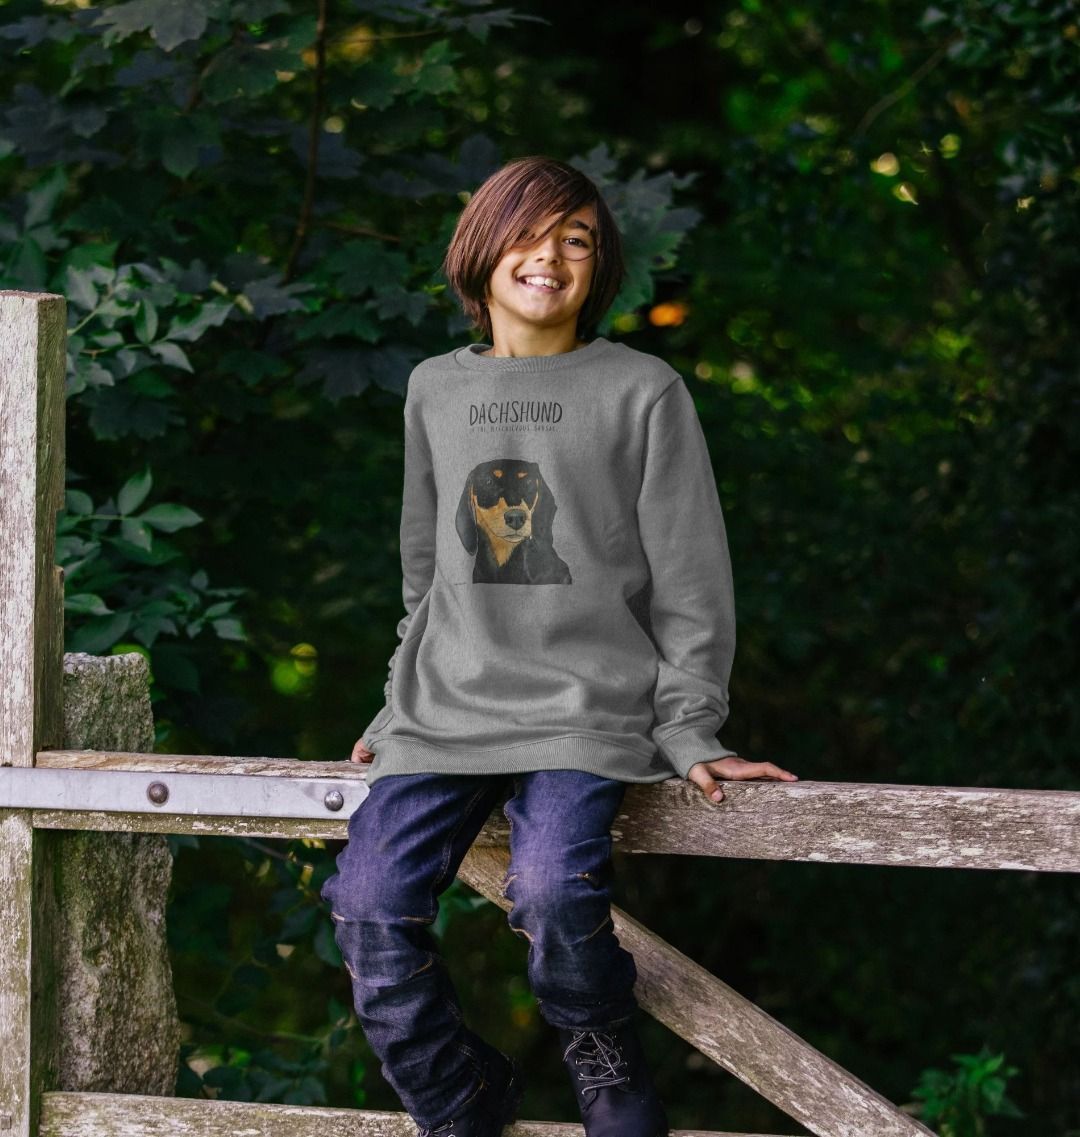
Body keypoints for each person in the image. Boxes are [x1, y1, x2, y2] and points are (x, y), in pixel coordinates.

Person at [321, 154, 798, 1137]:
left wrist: (691, 728)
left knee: (549, 891)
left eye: (575, 239)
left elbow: (692, 580)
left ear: (601, 267)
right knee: (366, 904)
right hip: (444, 712)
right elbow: (425, 573)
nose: (550, 256)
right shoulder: (432, 388)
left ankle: (603, 1053)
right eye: (529, 235)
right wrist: (396, 701)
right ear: (482, 252)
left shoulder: (642, 389)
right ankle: (458, 1099)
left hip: (586, 706)